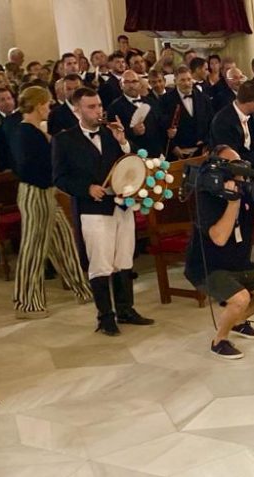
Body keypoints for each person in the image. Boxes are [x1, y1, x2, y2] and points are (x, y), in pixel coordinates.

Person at [52, 87, 154, 336]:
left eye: (99, 105)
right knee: (101, 263)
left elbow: (133, 160)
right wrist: (86, 188)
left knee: (124, 259)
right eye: (91, 107)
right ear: (77, 109)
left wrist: (123, 141)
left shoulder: (111, 134)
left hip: (121, 204)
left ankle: (126, 309)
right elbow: (59, 178)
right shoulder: (64, 140)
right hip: (93, 209)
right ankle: (105, 317)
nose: (98, 111)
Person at [184, 145, 254, 359]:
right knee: (240, 299)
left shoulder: (244, 190)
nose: (239, 168)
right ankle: (219, 340)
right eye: (233, 164)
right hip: (208, 267)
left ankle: (237, 320)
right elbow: (219, 238)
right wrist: (233, 202)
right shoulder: (207, 197)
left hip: (238, 263)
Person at [12, 86, 92, 318]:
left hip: (46, 193)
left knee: (64, 240)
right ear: (38, 105)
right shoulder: (25, 132)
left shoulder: (34, 131)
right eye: (47, 104)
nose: (49, 108)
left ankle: (83, 289)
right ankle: (26, 303)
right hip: (35, 193)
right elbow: (29, 169)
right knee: (34, 248)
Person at [107, 69, 167, 158]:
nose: (131, 85)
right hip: (133, 157)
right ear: (121, 85)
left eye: (134, 81)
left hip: (157, 155)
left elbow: (159, 125)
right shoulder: (114, 107)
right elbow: (113, 136)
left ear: (139, 84)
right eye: (126, 82)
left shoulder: (151, 101)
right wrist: (132, 132)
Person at [160, 66, 213, 160]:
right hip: (177, 153)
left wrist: (207, 143)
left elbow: (211, 122)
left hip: (201, 151)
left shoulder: (203, 98)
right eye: (182, 80)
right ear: (175, 81)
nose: (187, 83)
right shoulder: (165, 100)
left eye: (189, 79)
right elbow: (161, 127)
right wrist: (173, 147)